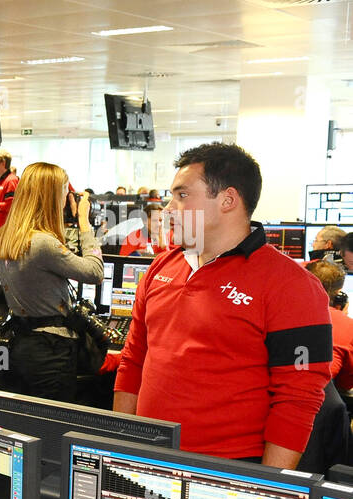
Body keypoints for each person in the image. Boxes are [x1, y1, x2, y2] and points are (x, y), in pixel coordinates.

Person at [114, 142, 332, 467]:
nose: (169, 209)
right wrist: (120, 447)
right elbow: (134, 361)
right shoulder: (160, 269)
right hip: (149, 459)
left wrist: (268, 488)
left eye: (182, 196)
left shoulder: (293, 285)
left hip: (228, 472)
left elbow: (298, 397)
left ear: (228, 199)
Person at [0, 162, 104, 402]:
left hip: (23, 344)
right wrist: (84, 221)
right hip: (52, 351)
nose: (67, 196)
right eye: (65, 190)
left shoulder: (5, 237)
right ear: (51, 195)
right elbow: (95, 271)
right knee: (53, 426)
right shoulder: (43, 244)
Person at [307, 260, 353, 392]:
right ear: (339, 293)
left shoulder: (279, 312)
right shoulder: (347, 326)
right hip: (320, 403)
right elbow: (345, 383)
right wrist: (340, 316)